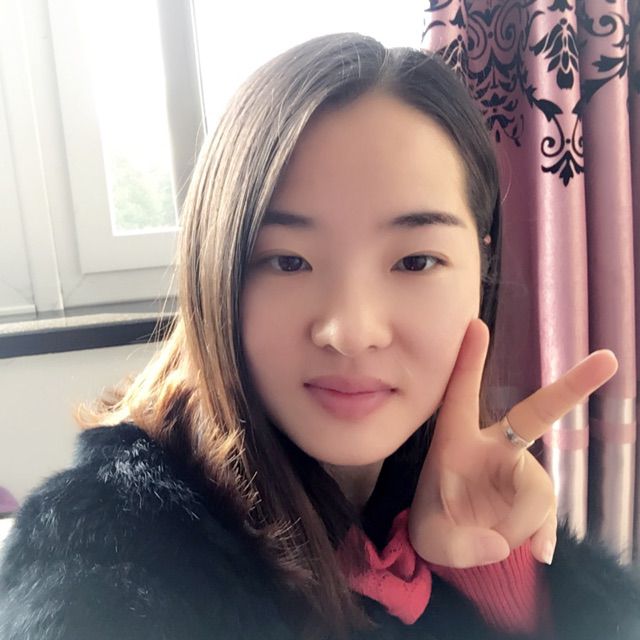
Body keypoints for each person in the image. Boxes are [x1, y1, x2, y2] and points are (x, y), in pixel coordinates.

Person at [0, 32, 638, 640]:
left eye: (415, 261)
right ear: (215, 271)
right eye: (287, 261)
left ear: (482, 263)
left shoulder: (453, 484)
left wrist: (501, 579)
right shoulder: (104, 555)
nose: (351, 332)